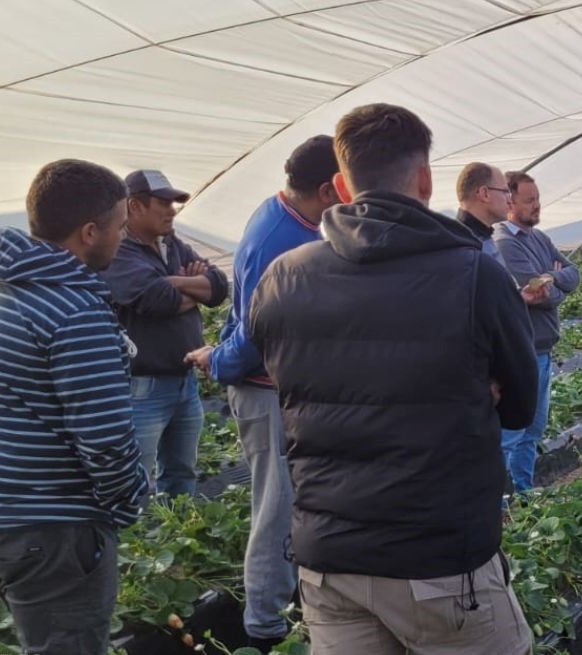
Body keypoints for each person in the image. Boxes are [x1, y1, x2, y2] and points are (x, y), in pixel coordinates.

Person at [248, 103, 537, 654]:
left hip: (329, 562)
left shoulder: (284, 278)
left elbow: (292, 378)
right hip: (438, 558)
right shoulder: (475, 275)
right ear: (426, 180)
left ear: (339, 184)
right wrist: (472, 389)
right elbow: (520, 407)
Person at [0, 159, 151, 654]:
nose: (124, 237)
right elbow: (104, 439)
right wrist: (130, 501)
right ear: (89, 232)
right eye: (121, 226)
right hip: (51, 528)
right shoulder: (74, 313)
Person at [183, 135, 338, 650]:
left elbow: (244, 313)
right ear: (326, 187)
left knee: (293, 500)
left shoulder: (285, 217)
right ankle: (265, 626)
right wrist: (220, 360)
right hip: (264, 391)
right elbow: (256, 331)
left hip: (278, 388)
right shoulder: (280, 239)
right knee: (277, 505)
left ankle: (291, 600)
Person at [101, 170, 229, 496]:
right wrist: (185, 288)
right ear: (134, 206)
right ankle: (141, 546)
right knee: (136, 484)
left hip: (185, 384)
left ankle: (175, 541)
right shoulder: (119, 250)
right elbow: (155, 299)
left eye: (174, 202)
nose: (172, 210)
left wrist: (174, 283)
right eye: (163, 202)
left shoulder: (171, 244)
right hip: (142, 389)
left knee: (182, 475)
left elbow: (218, 288)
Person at [492, 170, 581, 493]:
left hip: (543, 352)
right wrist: (554, 281)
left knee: (533, 431)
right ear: (509, 200)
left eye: (538, 199)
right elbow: (543, 299)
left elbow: (574, 274)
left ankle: (524, 495)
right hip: (522, 352)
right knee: (511, 433)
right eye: (530, 201)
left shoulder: (539, 238)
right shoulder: (503, 242)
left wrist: (551, 278)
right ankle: (500, 502)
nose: (537, 206)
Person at [456, 161, 512, 267]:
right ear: (485, 194)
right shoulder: (465, 249)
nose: (510, 200)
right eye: (505, 191)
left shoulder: (482, 237)